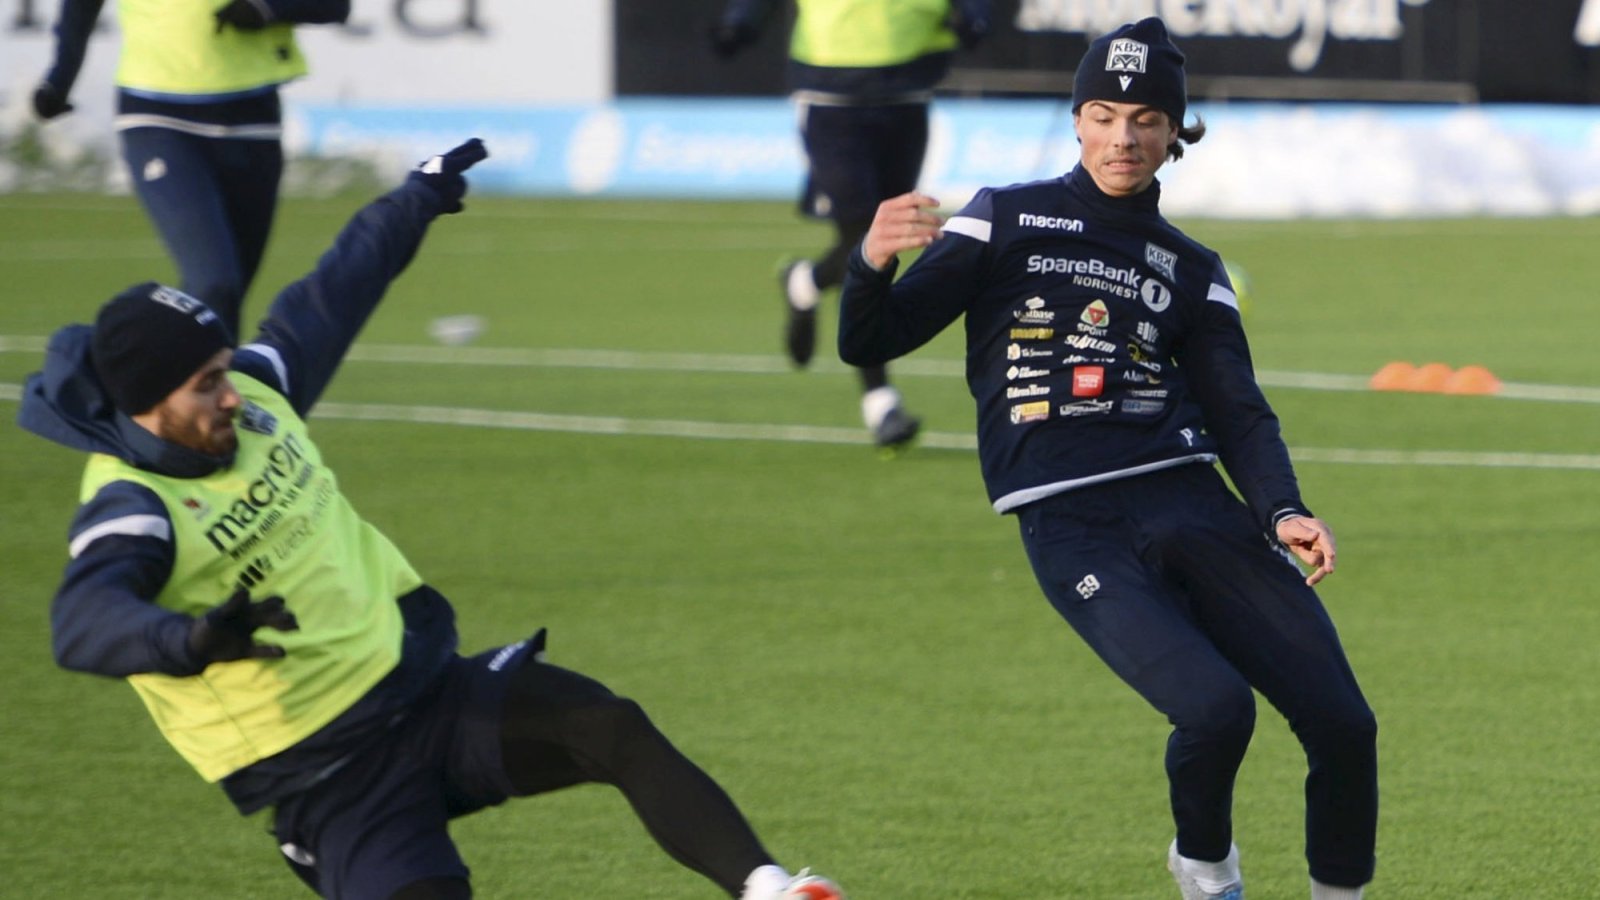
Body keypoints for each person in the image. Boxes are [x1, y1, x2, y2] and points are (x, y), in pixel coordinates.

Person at [17, 139, 845, 900]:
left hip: (427, 695)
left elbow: (335, 291)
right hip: (330, 779)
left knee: (607, 726)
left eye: (225, 370)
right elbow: (82, 620)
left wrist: (414, 198)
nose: (231, 394)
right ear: (146, 404)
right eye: (205, 385)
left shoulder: (261, 396)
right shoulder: (132, 504)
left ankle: (769, 889)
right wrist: (189, 641)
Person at [836, 18, 1377, 900]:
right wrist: (869, 264)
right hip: (1071, 522)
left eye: (1145, 119)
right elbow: (871, 339)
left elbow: (1239, 414)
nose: (1122, 137)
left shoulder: (1194, 269)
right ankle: (1206, 868)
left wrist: (1282, 508)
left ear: (1174, 134)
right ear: (1077, 121)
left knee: (1346, 724)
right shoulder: (1001, 218)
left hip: (1192, 501)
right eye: (1103, 115)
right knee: (1215, 710)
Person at [710, 0, 991, 453]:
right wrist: (741, 21)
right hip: (831, 93)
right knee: (868, 239)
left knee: (890, 235)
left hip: (908, 90)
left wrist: (975, 13)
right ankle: (880, 401)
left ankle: (805, 281)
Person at [30, 0, 350, 340]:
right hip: (156, 112)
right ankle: (124, 365)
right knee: (214, 282)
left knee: (222, 298)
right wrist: (60, 76)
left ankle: (175, 372)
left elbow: (335, 6)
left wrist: (268, 8)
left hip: (252, 120)